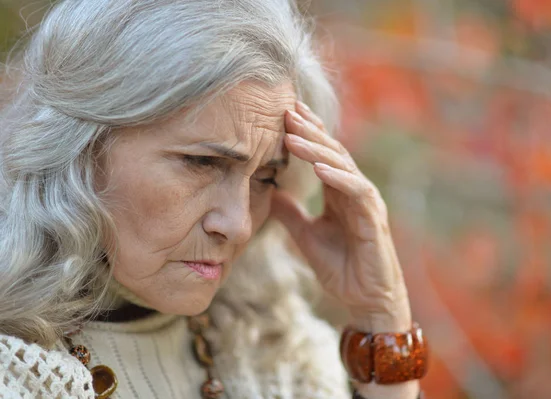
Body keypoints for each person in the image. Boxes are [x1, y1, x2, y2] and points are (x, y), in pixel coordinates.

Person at [0, 0, 427, 398]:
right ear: (79, 148)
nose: (239, 225)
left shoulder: (275, 347)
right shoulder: (15, 370)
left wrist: (381, 315)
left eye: (265, 177)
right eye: (202, 163)